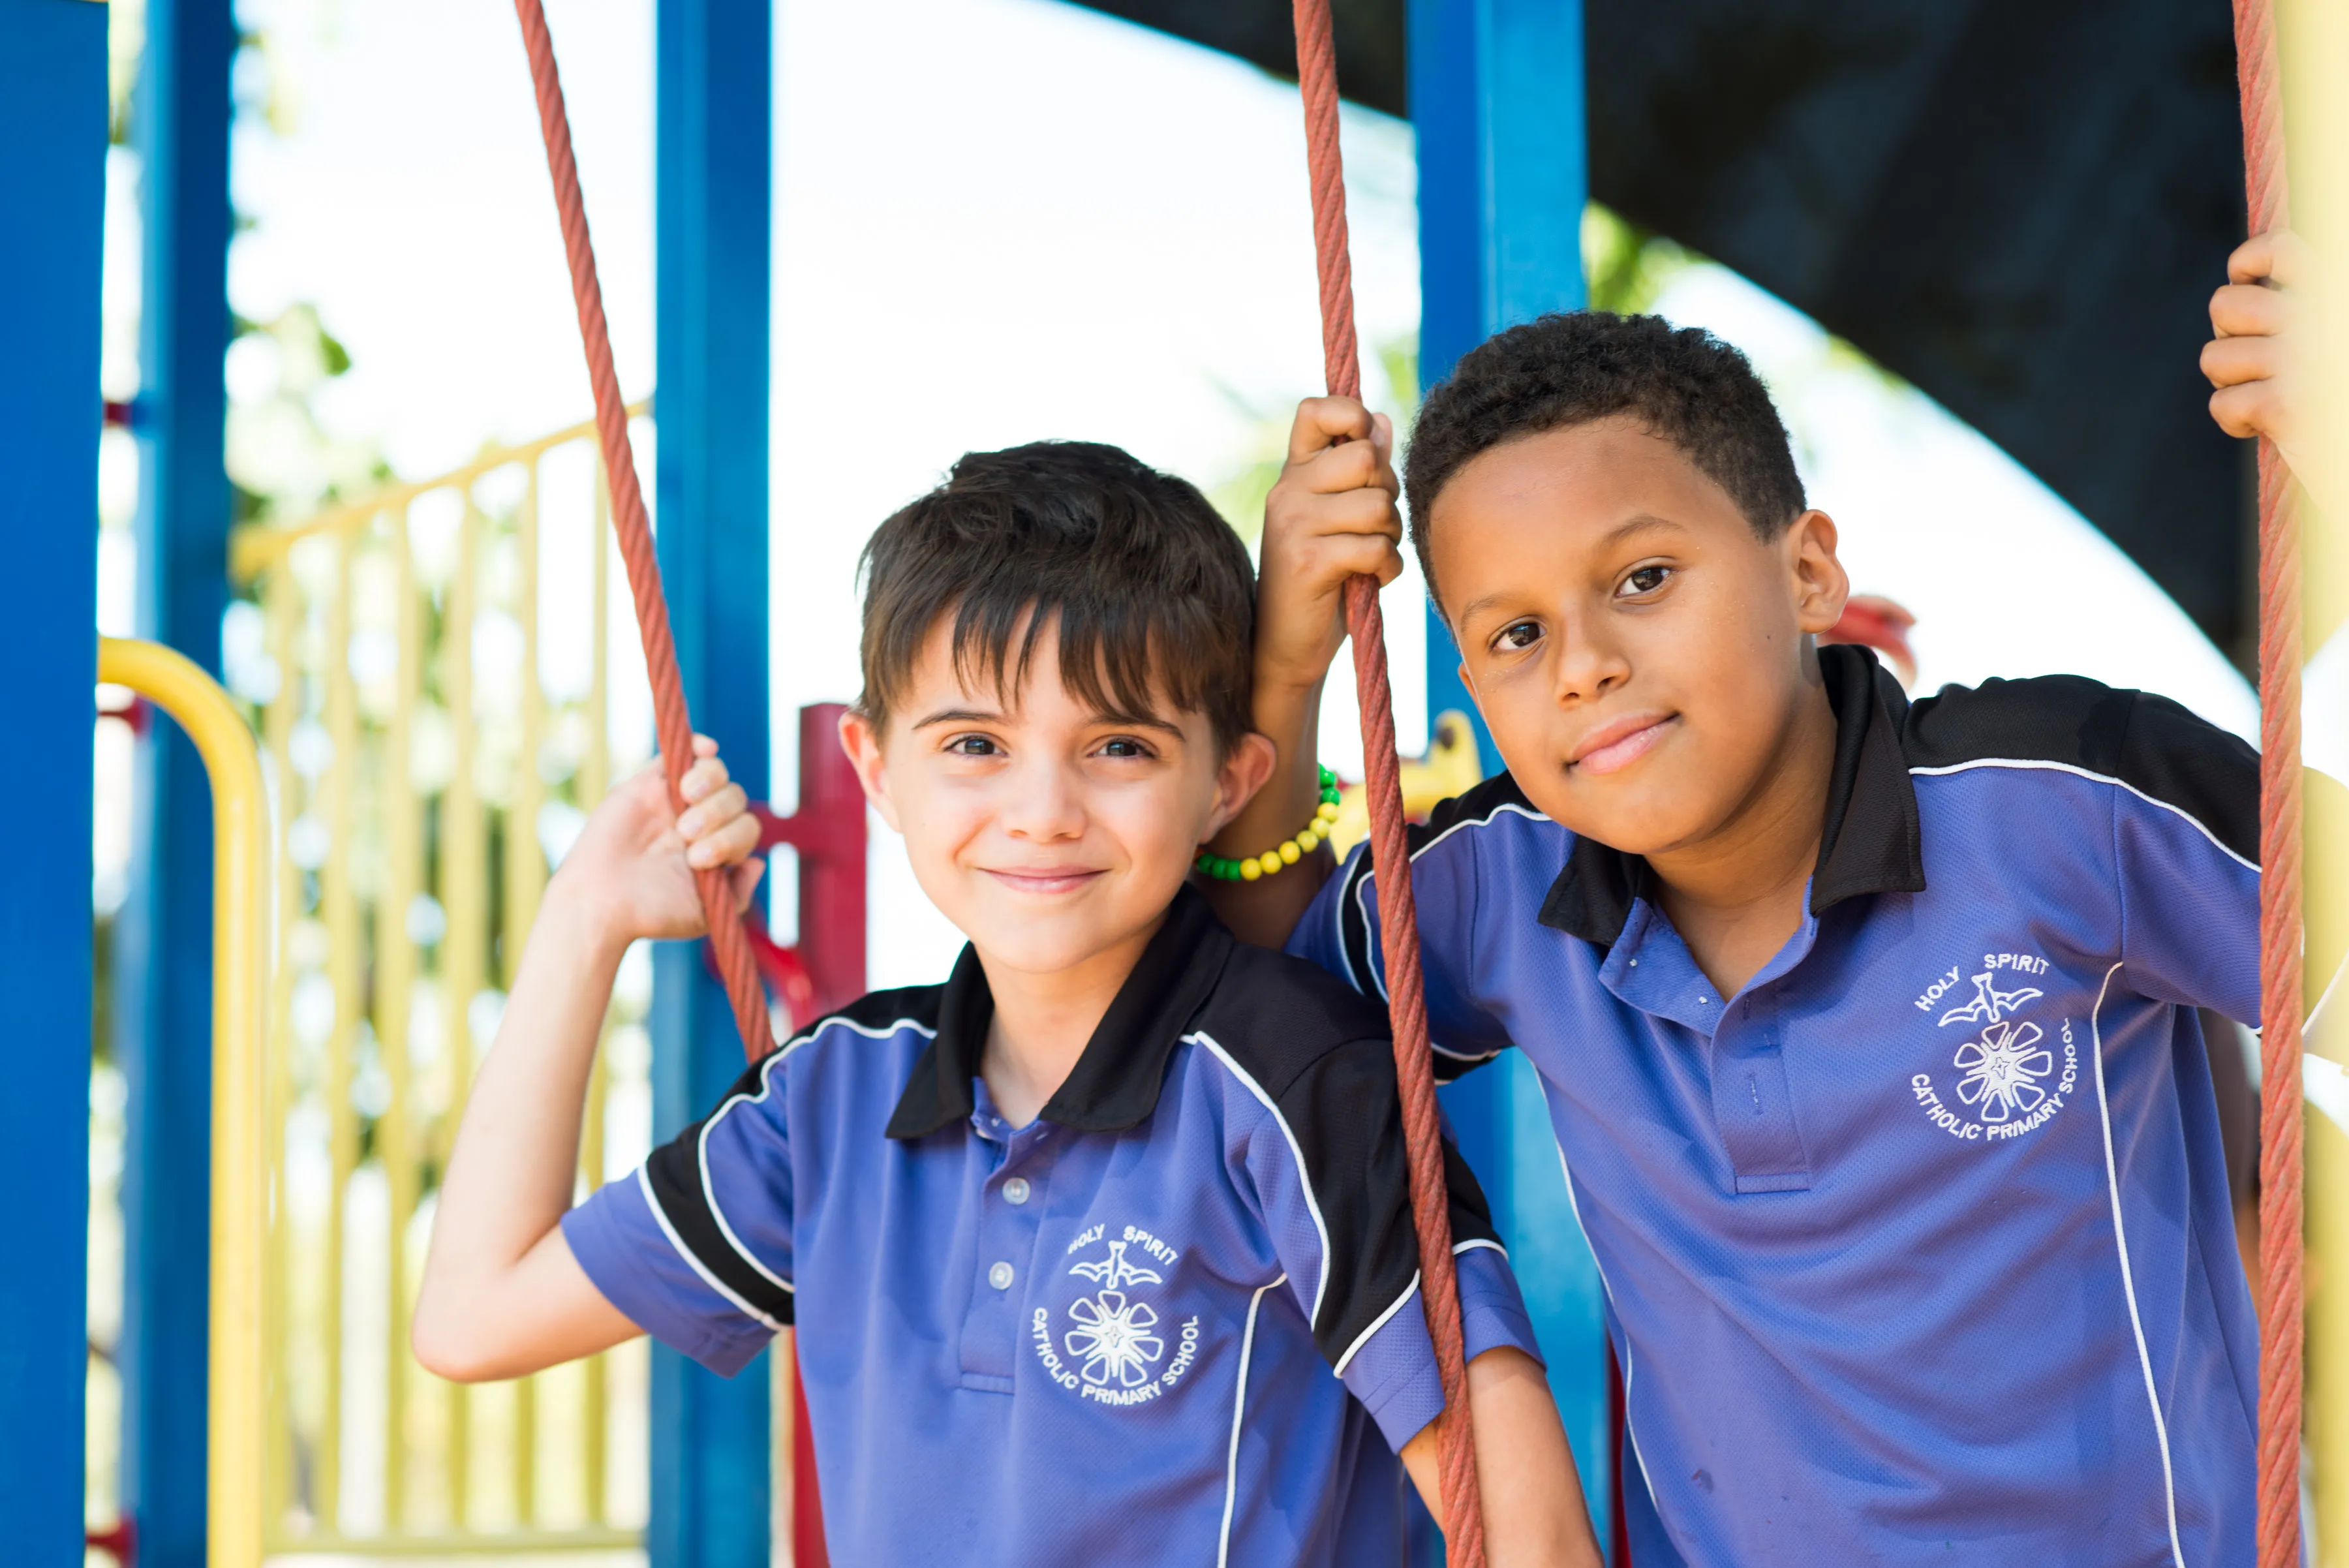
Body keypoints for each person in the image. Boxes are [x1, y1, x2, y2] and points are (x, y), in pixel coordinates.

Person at [1204, 303, 2337, 1564]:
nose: (1582, 665)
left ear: (1809, 575)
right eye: (1515, 634)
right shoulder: (1503, 886)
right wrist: (1286, 669)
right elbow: (1264, 980)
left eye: (1642, 579)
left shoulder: (2065, 802)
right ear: (1476, 685)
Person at [411, 441, 1601, 1565]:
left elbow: (1524, 1527)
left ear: (1227, 778)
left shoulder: (1291, 1072)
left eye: (1119, 747)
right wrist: (586, 921)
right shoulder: (835, 1091)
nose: (1042, 809)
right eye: (975, 743)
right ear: (878, 771)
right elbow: (472, 1318)